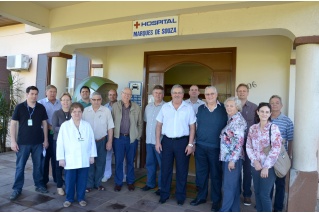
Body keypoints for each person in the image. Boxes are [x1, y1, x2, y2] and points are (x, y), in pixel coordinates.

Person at [156, 84, 196, 206]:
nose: (177, 94)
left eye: (179, 93)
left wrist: (190, 144)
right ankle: (164, 194)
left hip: (183, 142)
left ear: (183, 95)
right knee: (165, 169)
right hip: (167, 142)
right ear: (171, 94)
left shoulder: (188, 108)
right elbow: (158, 126)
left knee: (182, 170)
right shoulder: (165, 107)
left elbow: (192, 127)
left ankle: (180, 196)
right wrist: (157, 141)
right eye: (175, 92)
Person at [189, 86, 227, 211]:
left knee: (216, 175)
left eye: (212, 94)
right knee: (201, 174)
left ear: (216, 94)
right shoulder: (200, 108)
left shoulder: (224, 109)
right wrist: (193, 143)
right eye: (207, 94)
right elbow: (195, 126)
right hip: (200, 146)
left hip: (216, 148)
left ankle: (216, 200)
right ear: (204, 96)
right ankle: (201, 197)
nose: (210, 96)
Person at [9, 86, 49, 201]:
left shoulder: (41, 107)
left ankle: (39, 185)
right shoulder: (20, 107)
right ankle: (17, 189)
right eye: (32, 94)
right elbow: (13, 124)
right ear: (27, 94)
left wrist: (45, 139)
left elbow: (45, 124)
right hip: (23, 143)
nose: (34, 96)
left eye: (36, 94)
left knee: (38, 166)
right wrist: (13, 141)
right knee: (20, 167)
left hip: (38, 143)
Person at [56, 102, 97, 208]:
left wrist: (92, 155)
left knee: (82, 180)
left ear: (82, 112)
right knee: (70, 180)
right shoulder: (65, 126)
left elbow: (92, 141)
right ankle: (69, 199)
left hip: (84, 157)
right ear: (71, 113)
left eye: (79, 111)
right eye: (74, 111)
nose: (77, 113)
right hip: (70, 159)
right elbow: (60, 143)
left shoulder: (87, 125)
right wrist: (61, 158)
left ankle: (81, 198)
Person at [246, 102, 282, 212]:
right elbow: (248, 146)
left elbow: (276, 148)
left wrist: (266, 166)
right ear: (258, 112)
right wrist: (255, 161)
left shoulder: (274, 128)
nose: (264, 114)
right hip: (256, 165)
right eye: (262, 111)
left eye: (267, 112)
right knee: (257, 193)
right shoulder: (253, 128)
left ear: (270, 113)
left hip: (269, 167)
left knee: (264, 194)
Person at [112, 87, 143, 192]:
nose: (127, 96)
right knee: (119, 161)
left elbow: (140, 123)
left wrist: (137, 136)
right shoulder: (115, 106)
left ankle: (130, 182)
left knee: (130, 161)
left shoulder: (136, 107)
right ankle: (118, 182)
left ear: (131, 96)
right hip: (118, 138)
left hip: (131, 139)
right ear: (121, 94)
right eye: (125, 94)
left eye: (129, 94)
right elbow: (111, 122)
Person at [82, 92, 114, 192]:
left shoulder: (106, 111)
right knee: (90, 163)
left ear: (101, 100)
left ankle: (98, 183)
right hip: (89, 142)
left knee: (101, 163)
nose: (96, 102)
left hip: (102, 141)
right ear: (91, 100)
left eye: (98, 99)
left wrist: (109, 141)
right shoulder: (85, 111)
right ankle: (89, 184)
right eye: (94, 99)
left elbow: (110, 127)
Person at [219, 97, 247, 212]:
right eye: (227, 106)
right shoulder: (231, 119)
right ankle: (234, 210)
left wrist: (232, 160)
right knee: (233, 187)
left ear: (237, 107)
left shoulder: (238, 121)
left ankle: (224, 210)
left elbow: (239, 143)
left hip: (232, 159)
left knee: (228, 187)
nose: (228, 108)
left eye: (231, 106)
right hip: (228, 157)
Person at [269, 95, 294, 212]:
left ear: (281, 105)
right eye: (272, 103)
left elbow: (290, 140)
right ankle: (267, 206)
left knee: (280, 184)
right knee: (267, 185)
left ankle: (278, 208)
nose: (274, 105)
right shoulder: (265, 118)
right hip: (267, 157)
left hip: (281, 158)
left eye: (277, 103)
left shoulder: (287, 121)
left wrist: (289, 156)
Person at [236, 83, 257, 206]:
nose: (242, 93)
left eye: (244, 91)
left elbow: (257, 126)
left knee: (248, 171)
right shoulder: (232, 106)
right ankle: (236, 192)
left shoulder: (254, 107)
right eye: (240, 91)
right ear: (237, 92)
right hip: (235, 146)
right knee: (236, 169)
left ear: (248, 93)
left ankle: (247, 195)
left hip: (249, 145)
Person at [141, 85, 165, 196]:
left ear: (163, 94)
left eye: (160, 93)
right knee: (150, 164)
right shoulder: (148, 107)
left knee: (162, 165)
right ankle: (150, 184)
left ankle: (161, 186)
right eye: (156, 93)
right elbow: (146, 122)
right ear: (153, 94)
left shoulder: (166, 107)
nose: (158, 95)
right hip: (149, 141)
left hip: (160, 142)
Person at [38, 85, 61, 187]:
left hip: (57, 135)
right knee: (45, 158)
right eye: (50, 91)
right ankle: (44, 180)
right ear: (46, 92)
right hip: (45, 135)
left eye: (54, 91)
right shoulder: (41, 103)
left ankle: (57, 179)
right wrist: (49, 127)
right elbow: (39, 120)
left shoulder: (60, 103)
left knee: (56, 157)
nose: (53, 93)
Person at [102, 89, 127, 183]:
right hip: (108, 135)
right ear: (108, 96)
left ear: (117, 95)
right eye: (110, 95)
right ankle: (107, 174)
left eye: (113, 95)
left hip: (119, 135)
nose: (112, 96)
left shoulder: (122, 105)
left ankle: (123, 175)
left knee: (120, 158)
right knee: (107, 156)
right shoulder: (104, 107)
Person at [52, 92, 72, 196]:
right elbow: (54, 128)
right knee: (58, 164)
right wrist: (66, 128)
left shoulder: (73, 112)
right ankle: (59, 186)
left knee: (69, 164)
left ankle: (69, 184)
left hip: (71, 143)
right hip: (58, 142)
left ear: (70, 101)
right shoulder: (56, 113)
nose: (65, 102)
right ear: (61, 102)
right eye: (63, 100)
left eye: (67, 100)